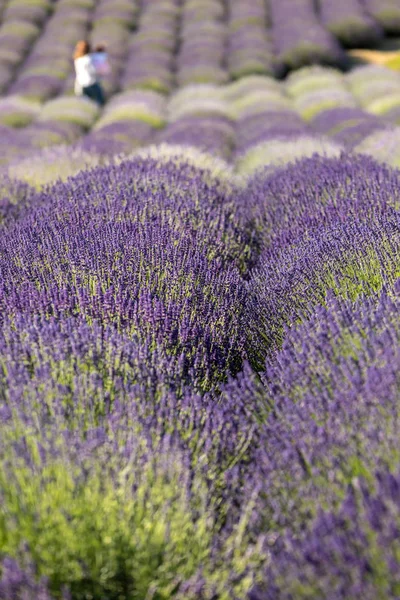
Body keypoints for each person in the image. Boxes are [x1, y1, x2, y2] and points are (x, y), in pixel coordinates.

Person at [73, 40, 105, 106]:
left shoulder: (77, 59)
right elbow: (96, 71)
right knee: (100, 102)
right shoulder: (89, 59)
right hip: (91, 84)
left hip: (81, 85)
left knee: (86, 104)